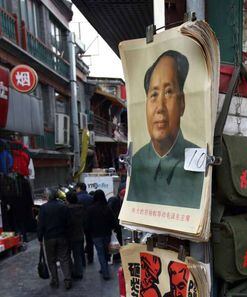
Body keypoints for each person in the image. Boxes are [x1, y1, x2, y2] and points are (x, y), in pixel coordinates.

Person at [128, 50, 203, 208]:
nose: (160, 107)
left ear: (182, 103)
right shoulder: (136, 163)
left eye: (168, 92)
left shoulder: (199, 159)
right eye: (154, 95)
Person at [37, 188, 72, 289]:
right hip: (62, 236)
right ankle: (67, 280)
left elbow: (40, 224)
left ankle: (55, 280)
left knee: (51, 260)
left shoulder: (43, 208)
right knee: (64, 258)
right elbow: (68, 222)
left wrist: (40, 237)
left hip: (49, 237)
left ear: (48, 196)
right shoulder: (63, 206)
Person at [86, 189, 116, 280]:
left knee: (100, 253)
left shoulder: (90, 209)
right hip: (106, 233)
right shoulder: (107, 207)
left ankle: (105, 271)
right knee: (106, 251)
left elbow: (87, 223)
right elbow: (113, 221)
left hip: (96, 235)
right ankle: (104, 268)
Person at [66, 191, 86, 280]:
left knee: (67, 255)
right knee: (77, 255)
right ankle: (79, 272)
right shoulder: (81, 208)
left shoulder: (66, 209)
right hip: (80, 234)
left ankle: (71, 271)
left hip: (69, 235)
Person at [75, 182, 94, 264]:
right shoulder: (91, 197)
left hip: (79, 223)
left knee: (80, 241)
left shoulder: (76, 198)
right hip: (90, 222)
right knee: (90, 241)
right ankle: (90, 258)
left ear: (79, 188)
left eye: (76, 188)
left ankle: (82, 260)